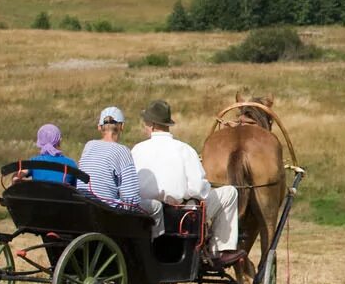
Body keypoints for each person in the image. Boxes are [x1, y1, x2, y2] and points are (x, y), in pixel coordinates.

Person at [131, 99, 244, 266]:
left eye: (145, 124)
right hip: (180, 217)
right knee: (229, 193)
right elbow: (199, 190)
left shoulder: (137, 150)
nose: (144, 127)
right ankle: (219, 249)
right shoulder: (184, 149)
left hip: (145, 214)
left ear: (153, 125)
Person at [78, 106, 142, 209]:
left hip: (85, 207)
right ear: (122, 126)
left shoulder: (88, 146)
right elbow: (131, 198)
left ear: (99, 127)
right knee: (155, 207)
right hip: (109, 212)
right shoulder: (122, 151)